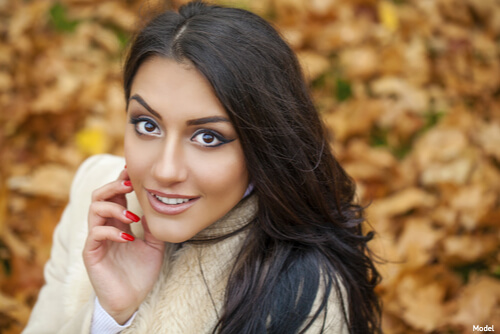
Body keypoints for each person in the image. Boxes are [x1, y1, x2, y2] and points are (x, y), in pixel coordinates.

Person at [23, 1, 381, 333]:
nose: (165, 170)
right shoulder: (96, 197)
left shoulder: (303, 292)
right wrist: (109, 317)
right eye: (148, 125)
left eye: (208, 137)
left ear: (265, 146)